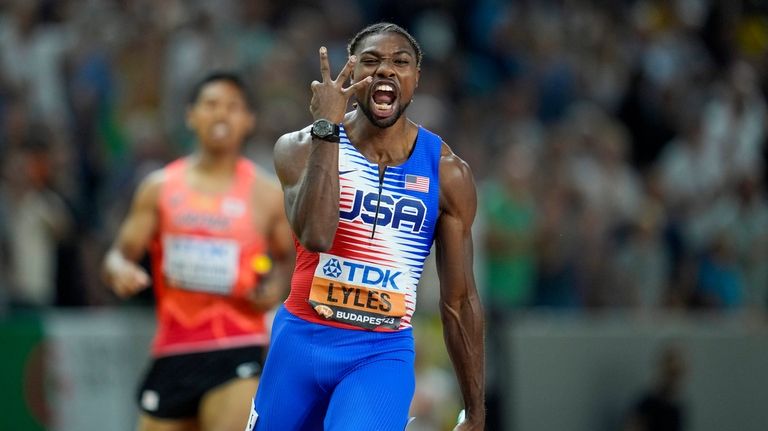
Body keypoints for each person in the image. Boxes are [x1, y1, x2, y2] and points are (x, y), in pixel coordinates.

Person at [247, 23, 485, 431]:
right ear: (351, 74)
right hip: (301, 341)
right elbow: (317, 236)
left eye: (400, 62)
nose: (385, 71)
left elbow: (459, 302)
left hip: (380, 352)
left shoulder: (447, 173)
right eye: (371, 61)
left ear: (416, 79)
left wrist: (476, 411)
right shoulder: (301, 146)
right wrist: (328, 129)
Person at [102, 72, 293, 431]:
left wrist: (273, 287)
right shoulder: (159, 188)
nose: (221, 115)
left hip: (238, 345)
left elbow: (287, 262)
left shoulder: (267, 195)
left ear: (248, 120)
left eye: (233, 107)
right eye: (211, 105)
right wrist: (120, 271)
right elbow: (118, 255)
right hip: (174, 349)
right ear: (191, 115)